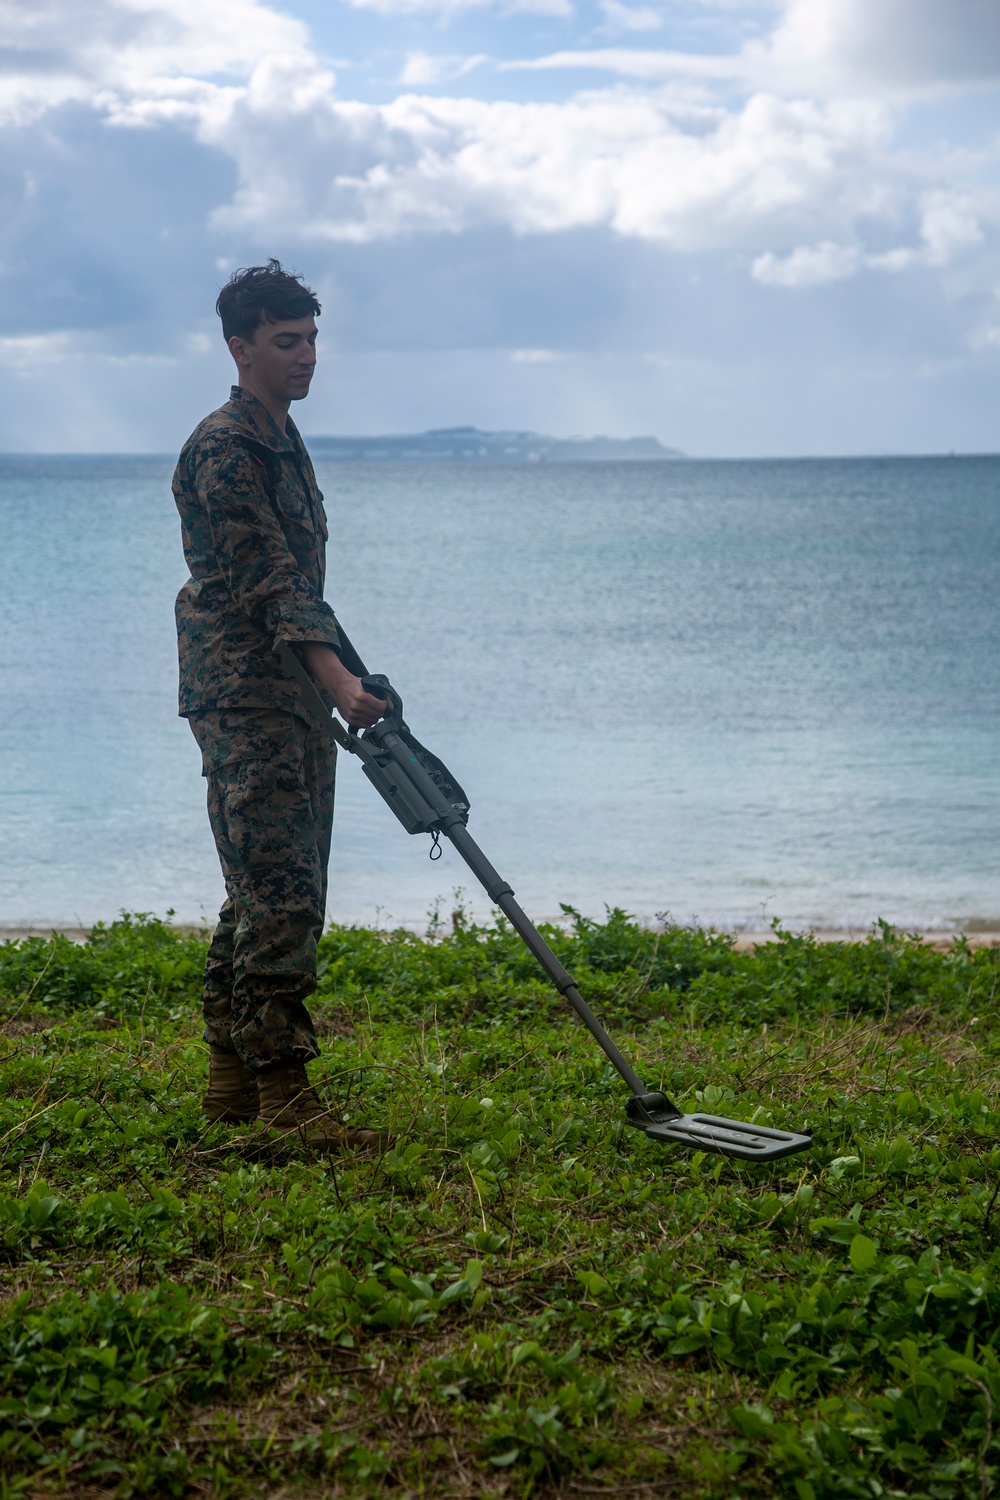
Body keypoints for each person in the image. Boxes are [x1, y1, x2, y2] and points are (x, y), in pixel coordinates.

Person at [172, 259, 388, 1150]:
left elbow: (300, 582)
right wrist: (338, 681)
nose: (305, 357)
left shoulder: (281, 438)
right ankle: (287, 1099)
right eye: (286, 341)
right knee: (282, 894)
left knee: (260, 891)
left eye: (311, 340)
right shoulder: (226, 447)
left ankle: (231, 1082)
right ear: (241, 346)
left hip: (290, 692)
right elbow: (267, 579)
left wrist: (344, 674)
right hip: (244, 692)